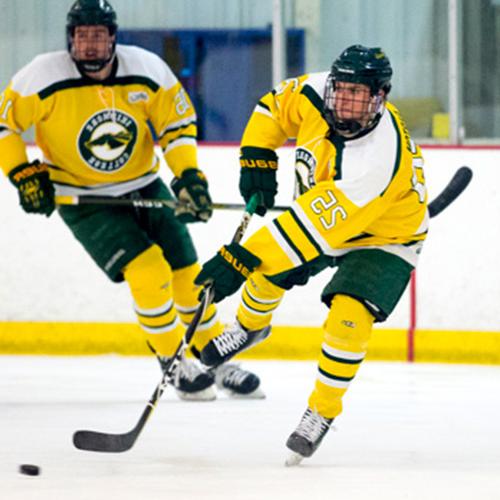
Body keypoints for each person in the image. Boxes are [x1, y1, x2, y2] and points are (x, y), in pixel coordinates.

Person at [0, 0, 263, 400]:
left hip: (144, 185)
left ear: (113, 38)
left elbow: (176, 125)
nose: (89, 45)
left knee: (189, 278)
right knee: (149, 271)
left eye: (98, 36)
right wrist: (21, 174)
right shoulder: (40, 75)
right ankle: (172, 363)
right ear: (70, 38)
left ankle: (216, 360)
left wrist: (188, 175)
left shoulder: (147, 68)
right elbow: (6, 127)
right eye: (81, 36)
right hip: (85, 201)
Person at [194, 45, 428, 464]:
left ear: (380, 97)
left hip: (386, 236)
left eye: (359, 96)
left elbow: (303, 234)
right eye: (343, 92)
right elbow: (272, 109)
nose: (346, 104)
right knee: (269, 272)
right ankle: (249, 328)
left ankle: (321, 411)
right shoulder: (317, 91)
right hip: (324, 212)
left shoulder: (375, 160)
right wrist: (258, 158)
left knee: (348, 317)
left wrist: (236, 260)